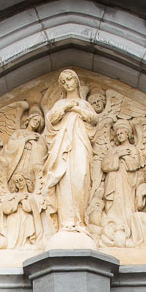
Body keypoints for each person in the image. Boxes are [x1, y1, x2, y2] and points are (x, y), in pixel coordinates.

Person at [43, 68, 98, 232]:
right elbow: (51, 119)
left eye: (70, 79)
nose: (67, 83)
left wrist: (76, 109)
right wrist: (66, 107)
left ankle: (80, 221)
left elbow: (93, 118)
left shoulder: (84, 104)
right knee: (64, 179)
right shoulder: (60, 104)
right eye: (64, 81)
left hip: (80, 143)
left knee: (80, 176)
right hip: (61, 147)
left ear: (76, 81)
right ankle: (66, 222)